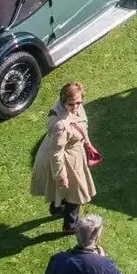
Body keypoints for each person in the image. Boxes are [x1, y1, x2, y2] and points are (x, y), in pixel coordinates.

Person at [31, 82, 96, 234]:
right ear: (63, 101)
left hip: (70, 153)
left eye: (79, 102)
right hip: (63, 157)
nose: (76, 107)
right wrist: (61, 176)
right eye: (71, 104)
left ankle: (57, 207)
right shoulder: (60, 125)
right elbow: (56, 152)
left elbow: (81, 124)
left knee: (61, 188)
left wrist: (87, 144)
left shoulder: (71, 107)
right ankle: (70, 226)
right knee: (76, 191)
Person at [44, 215, 124, 274]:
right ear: (97, 237)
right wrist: (102, 260)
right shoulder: (104, 266)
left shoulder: (58, 259)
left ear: (76, 235)